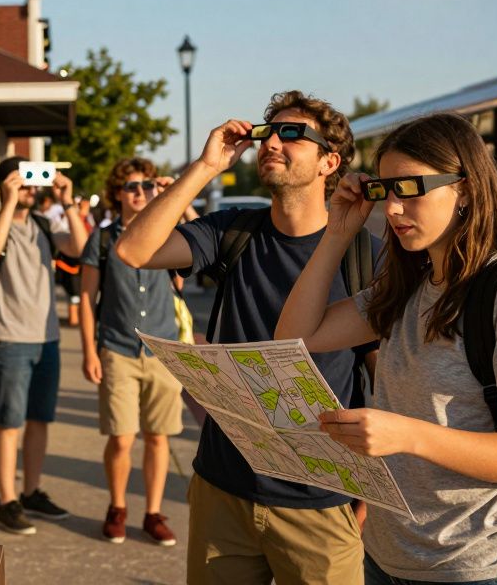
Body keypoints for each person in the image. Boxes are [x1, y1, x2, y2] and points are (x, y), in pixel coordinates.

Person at [274, 113, 497, 585]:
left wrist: (406, 435)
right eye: (383, 190)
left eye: (408, 188)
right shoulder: (406, 288)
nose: (391, 209)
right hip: (390, 559)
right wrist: (336, 233)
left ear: (466, 189)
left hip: (479, 567)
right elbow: (295, 339)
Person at [117, 91, 370, 585]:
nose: (272, 141)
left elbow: (387, 381)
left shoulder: (365, 255)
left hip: (319, 502)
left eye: (293, 134)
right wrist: (206, 166)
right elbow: (133, 249)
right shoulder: (233, 231)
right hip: (223, 489)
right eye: (267, 132)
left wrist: (373, 501)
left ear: (329, 161)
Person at [0, 156, 89, 534]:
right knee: (9, 422)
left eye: (31, 179)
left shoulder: (43, 224)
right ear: (4, 184)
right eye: (20, 180)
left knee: (40, 419)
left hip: (47, 339)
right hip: (8, 338)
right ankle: (6, 501)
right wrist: (8, 202)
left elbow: (81, 248)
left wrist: (68, 201)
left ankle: (31, 491)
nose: (28, 187)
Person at [79, 158, 185, 547]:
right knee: (122, 437)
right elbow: (87, 299)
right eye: (131, 187)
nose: (140, 192)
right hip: (118, 349)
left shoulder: (170, 234)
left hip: (162, 349)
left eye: (146, 186)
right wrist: (89, 351)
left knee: (159, 437)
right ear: (118, 193)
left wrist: (176, 195)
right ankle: (117, 507)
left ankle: (153, 512)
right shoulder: (103, 239)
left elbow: (188, 274)